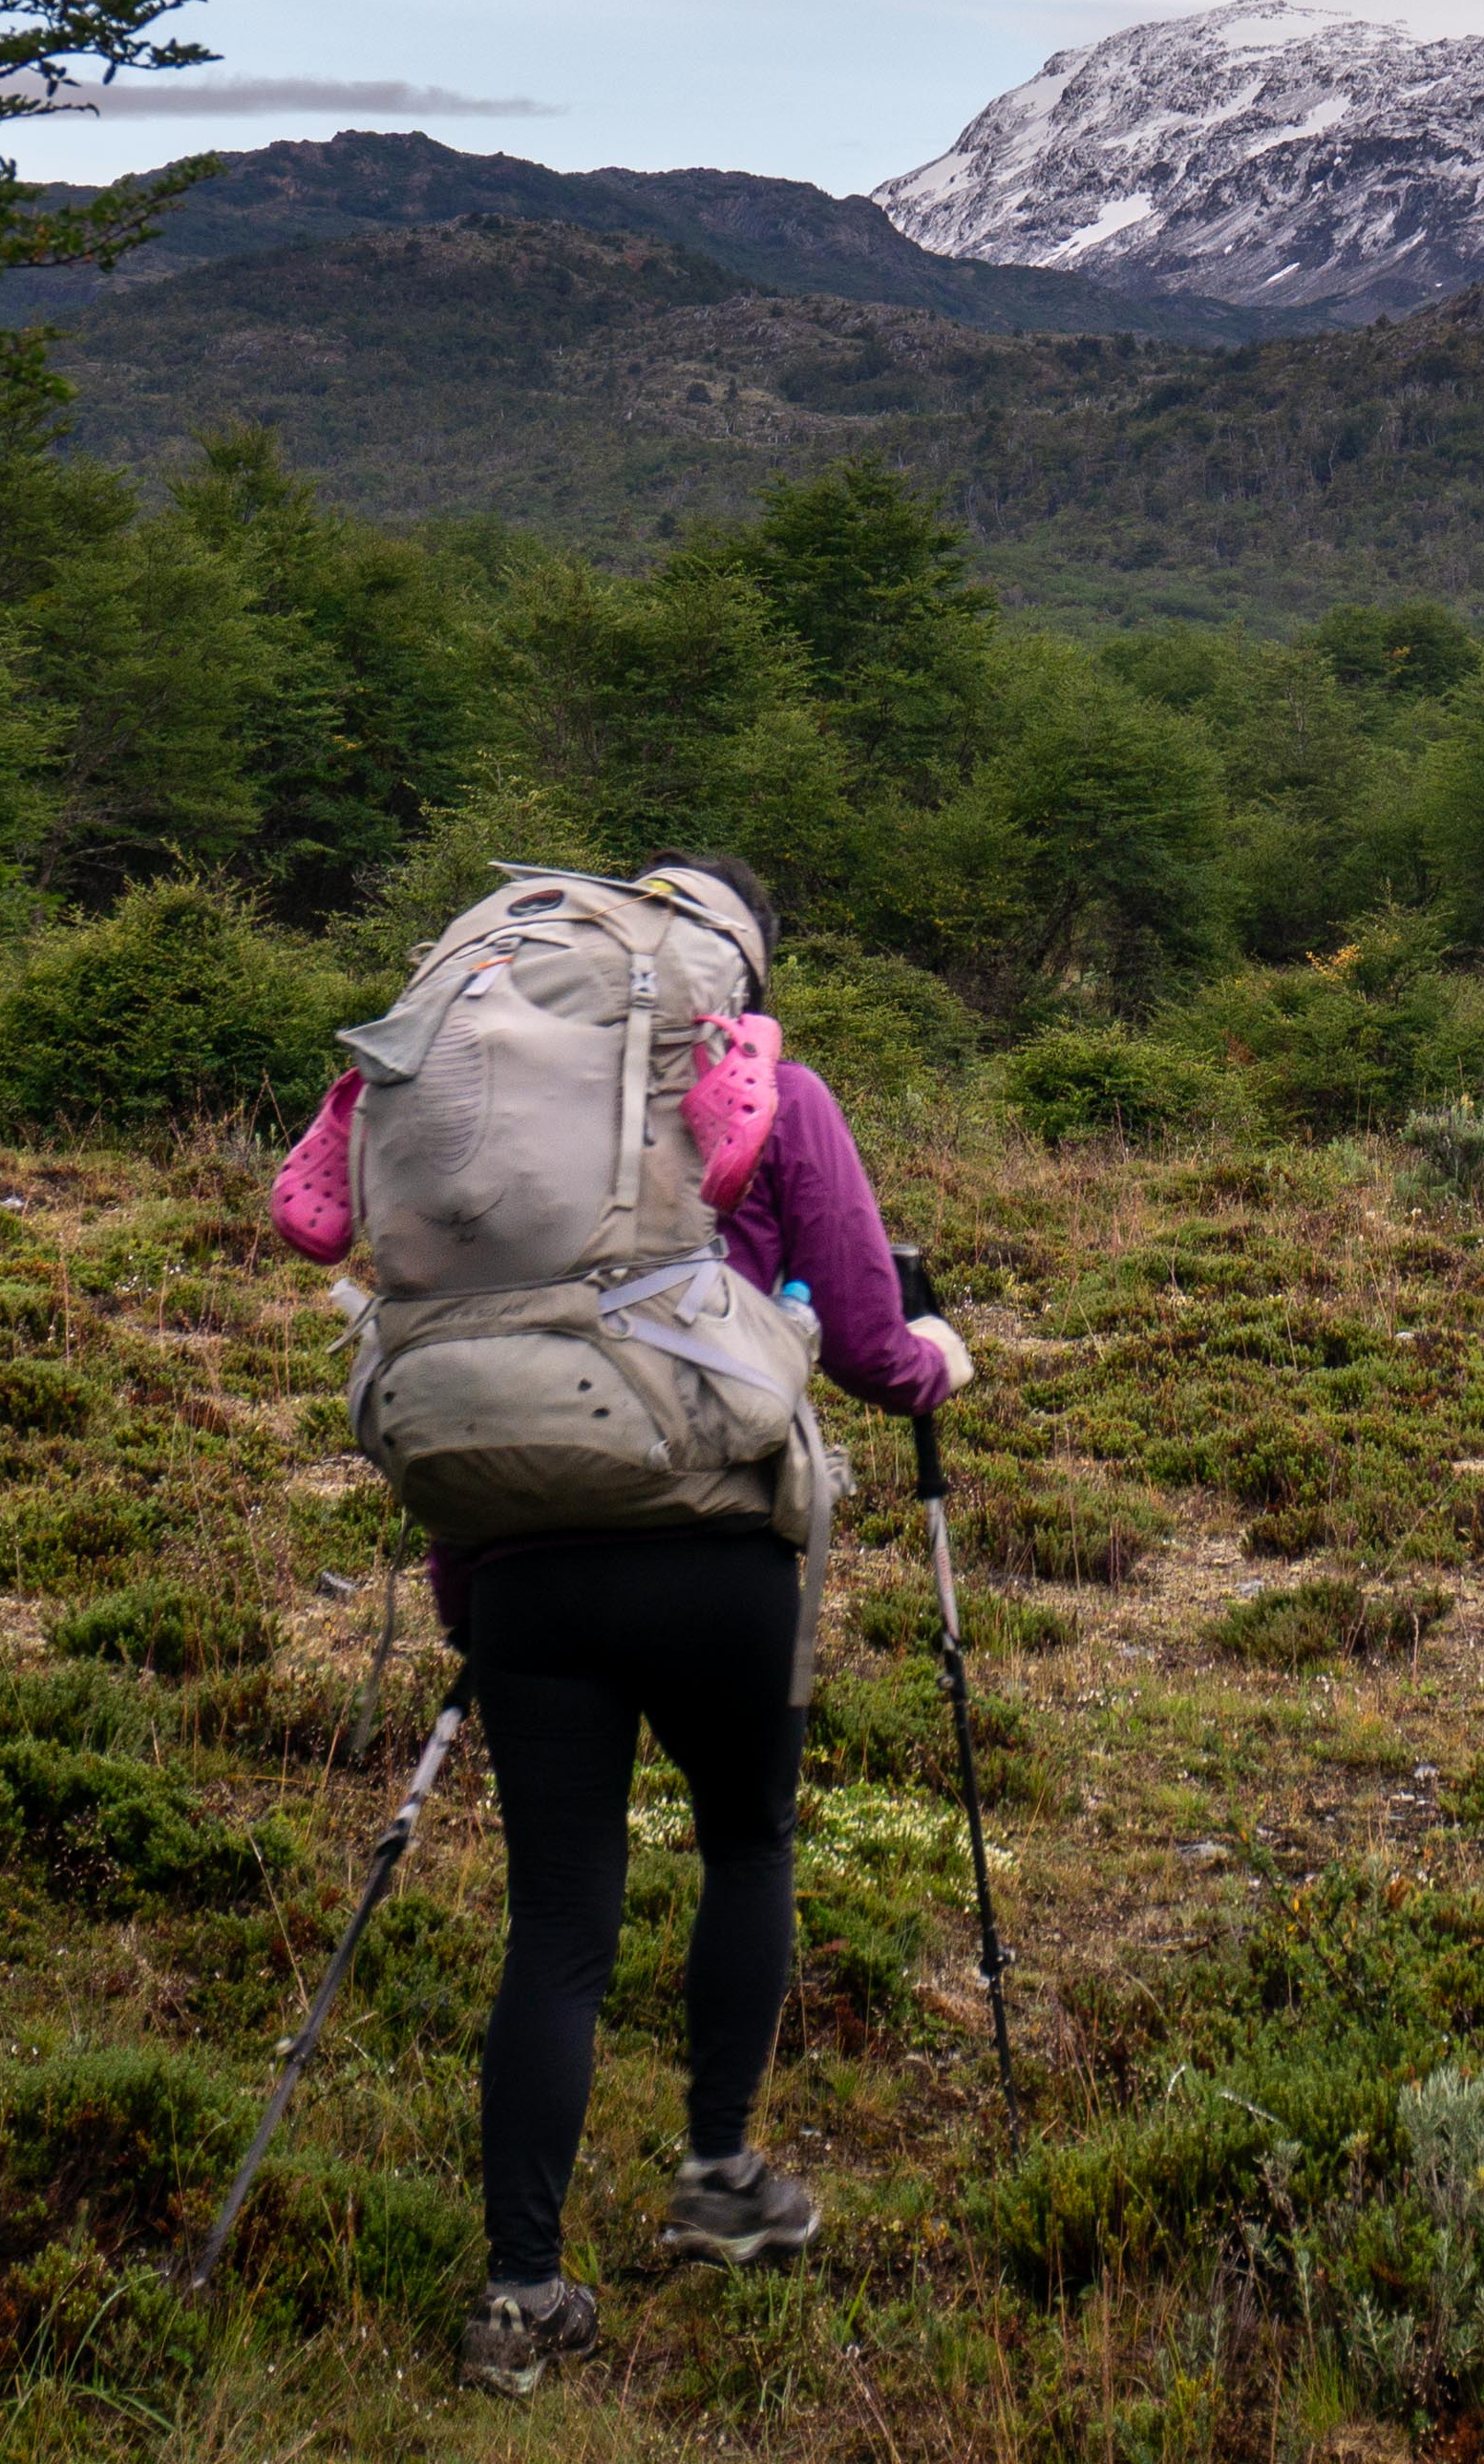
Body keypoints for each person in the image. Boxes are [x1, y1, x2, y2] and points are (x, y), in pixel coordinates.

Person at [413, 854, 969, 2398]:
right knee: (745, 1844)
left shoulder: (482, 1109)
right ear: (743, 975)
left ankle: (519, 2294)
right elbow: (864, 1338)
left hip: (523, 1552)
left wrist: (477, 1582)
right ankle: (720, 2178)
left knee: (558, 1928)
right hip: (722, 1543)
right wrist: (942, 1366)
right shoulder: (774, 1088)